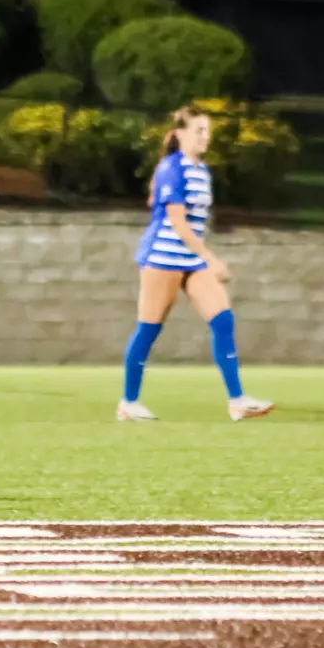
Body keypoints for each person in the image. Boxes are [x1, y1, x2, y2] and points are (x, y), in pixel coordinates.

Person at [117, 105, 272, 423]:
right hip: (162, 258)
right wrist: (211, 258)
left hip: (190, 260)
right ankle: (128, 403)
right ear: (180, 134)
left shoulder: (201, 170)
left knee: (223, 320)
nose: (206, 137)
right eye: (199, 130)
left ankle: (237, 401)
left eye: (208, 131)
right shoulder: (171, 167)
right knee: (148, 329)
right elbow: (178, 222)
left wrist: (201, 258)